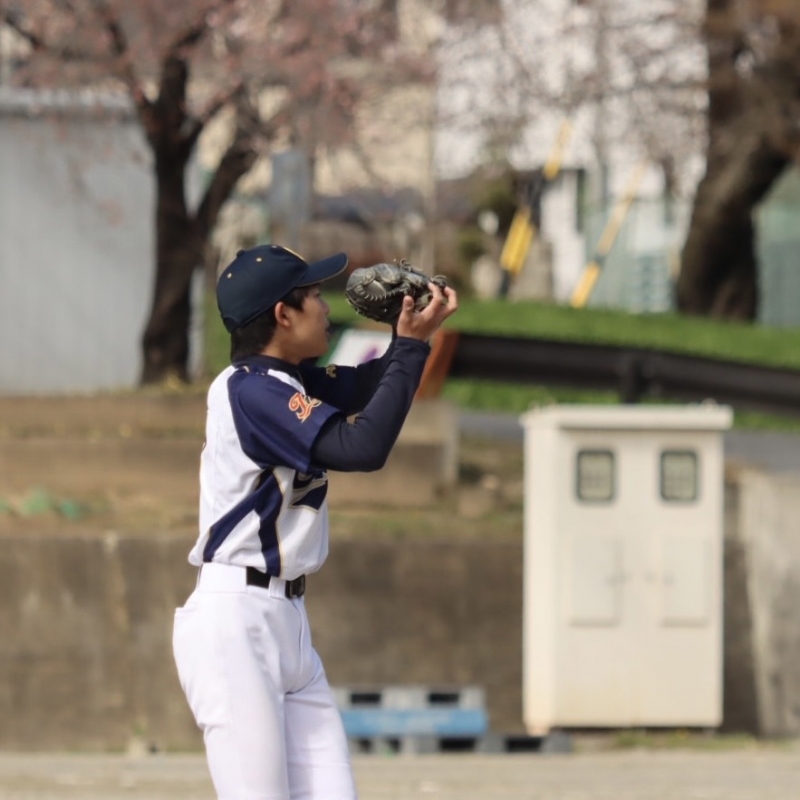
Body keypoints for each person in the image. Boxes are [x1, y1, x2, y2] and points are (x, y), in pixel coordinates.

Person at [172, 243, 458, 800]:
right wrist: (408, 349)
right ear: (283, 314)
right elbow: (362, 447)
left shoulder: (285, 380)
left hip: (287, 623)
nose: (327, 306)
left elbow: (367, 385)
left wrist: (411, 336)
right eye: (312, 296)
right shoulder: (251, 390)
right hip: (238, 624)